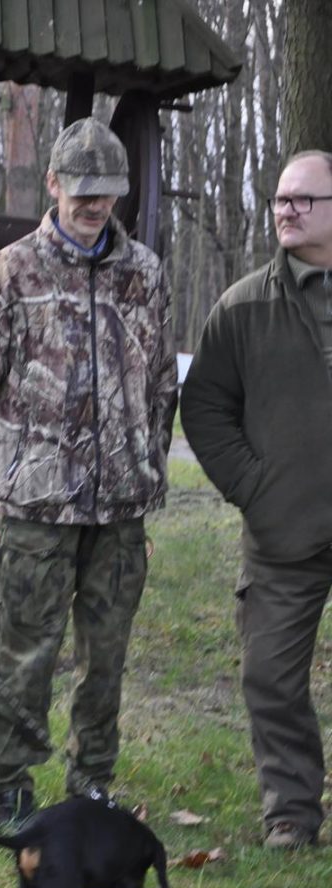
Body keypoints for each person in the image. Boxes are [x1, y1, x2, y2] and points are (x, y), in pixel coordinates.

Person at [0, 117, 178, 826]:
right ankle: (12, 783)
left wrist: (147, 462)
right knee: (26, 653)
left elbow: (163, 386)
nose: (93, 205)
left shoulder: (147, 275)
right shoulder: (10, 274)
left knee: (105, 659)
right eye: (81, 192)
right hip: (37, 510)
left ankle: (92, 782)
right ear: (52, 184)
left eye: (106, 193)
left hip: (120, 511)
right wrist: (0, 483)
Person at [181, 149, 332, 851]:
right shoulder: (244, 307)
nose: (287, 210)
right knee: (268, 675)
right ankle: (292, 814)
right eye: (279, 200)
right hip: (284, 532)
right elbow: (205, 405)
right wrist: (254, 488)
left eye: (304, 200)